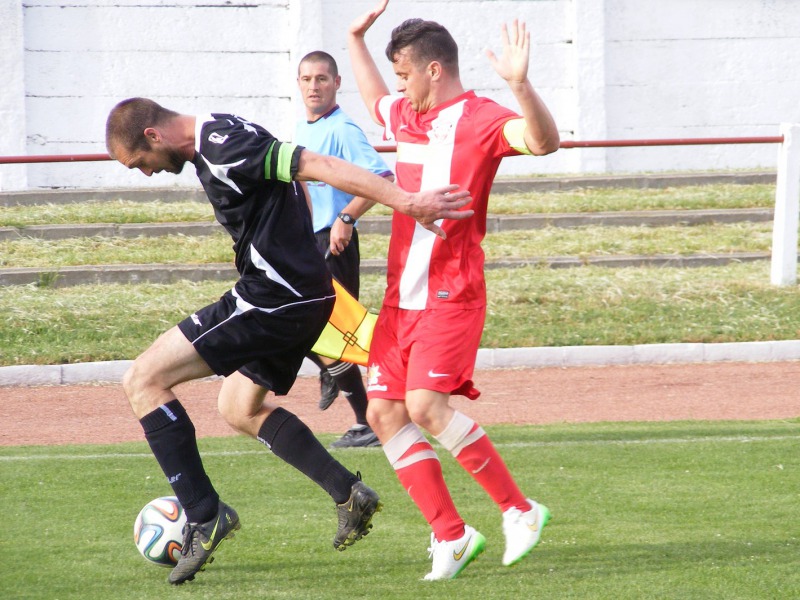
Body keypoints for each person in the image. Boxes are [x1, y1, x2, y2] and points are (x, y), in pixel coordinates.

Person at [104, 97, 472, 585]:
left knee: (143, 380)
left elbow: (317, 165)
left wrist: (407, 201)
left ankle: (201, 514)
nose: (146, 173)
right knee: (239, 406)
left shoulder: (225, 145)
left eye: (140, 164)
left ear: (152, 136)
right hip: (299, 295)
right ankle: (346, 491)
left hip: (275, 298)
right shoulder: (217, 129)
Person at [347, 1, 560, 581]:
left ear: (434, 70)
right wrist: (354, 40)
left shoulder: (483, 118)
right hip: (399, 300)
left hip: (450, 293)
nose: (400, 88)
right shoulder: (409, 115)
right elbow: (373, 100)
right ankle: (452, 535)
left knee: (425, 407)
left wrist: (521, 85)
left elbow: (542, 142)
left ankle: (520, 510)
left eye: (405, 75)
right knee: (385, 411)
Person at [295, 50, 391, 448]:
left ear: (336, 83)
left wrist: (347, 217)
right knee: (309, 328)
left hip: (332, 243)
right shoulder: (304, 129)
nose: (314, 86)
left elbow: (382, 175)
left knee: (335, 332)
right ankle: (346, 386)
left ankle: (373, 416)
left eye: (321, 79)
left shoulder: (342, 129)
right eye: (306, 79)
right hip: (308, 242)